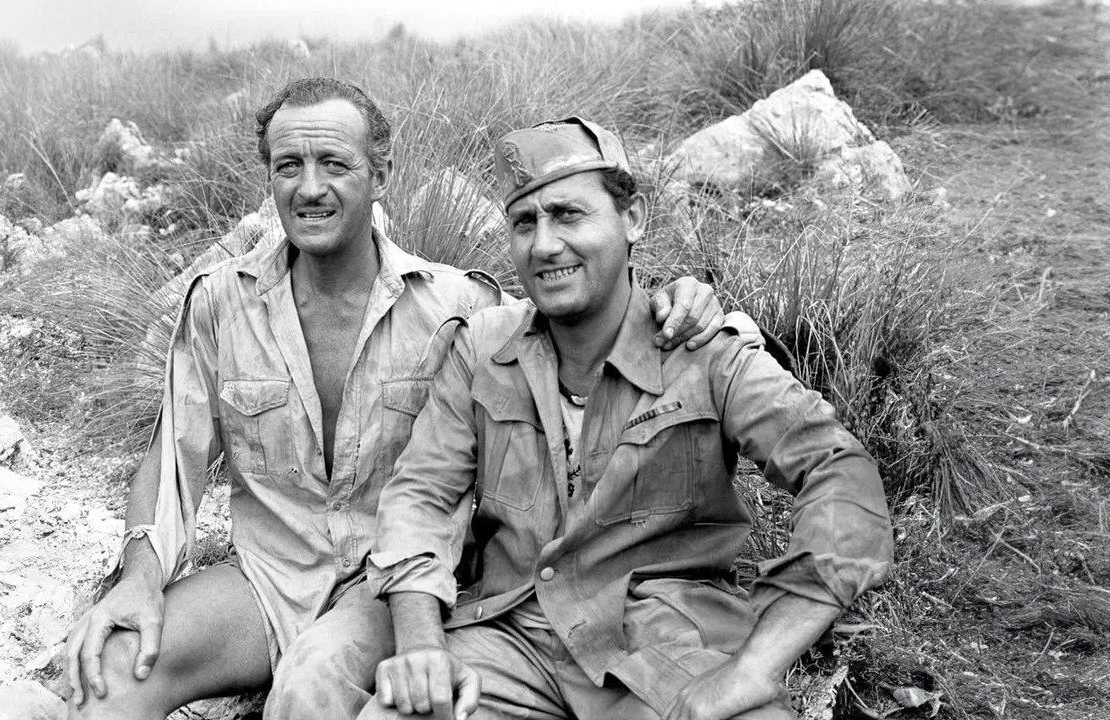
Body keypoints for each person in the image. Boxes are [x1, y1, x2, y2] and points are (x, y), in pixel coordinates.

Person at [63, 79, 725, 720]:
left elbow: (576, 326)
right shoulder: (219, 301)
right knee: (112, 670)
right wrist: (140, 578)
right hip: (267, 580)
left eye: (334, 163)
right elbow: (173, 459)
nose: (309, 187)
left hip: (392, 587)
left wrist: (674, 301)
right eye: (288, 165)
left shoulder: (459, 304)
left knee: (311, 685)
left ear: (380, 175)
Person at [363, 117, 895, 720]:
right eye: (524, 223)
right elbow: (422, 495)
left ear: (633, 218)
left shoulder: (703, 351)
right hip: (510, 638)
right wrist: (422, 644)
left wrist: (756, 667)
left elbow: (838, 468)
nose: (544, 245)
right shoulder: (483, 348)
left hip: (661, 646)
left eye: (568, 214)